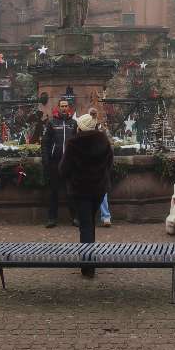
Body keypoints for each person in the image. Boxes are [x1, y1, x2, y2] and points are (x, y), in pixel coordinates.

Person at [59, 111, 114, 277]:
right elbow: (110, 164)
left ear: (80, 127)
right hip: (98, 189)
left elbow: (63, 169)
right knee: (90, 221)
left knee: (85, 226)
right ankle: (90, 260)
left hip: (80, 190)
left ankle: (88, 265)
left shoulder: (73, 143)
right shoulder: (103, 141)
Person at [42, 99, 78, 228]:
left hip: (69, 162)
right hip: (55, 162)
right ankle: (52, 218)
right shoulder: (51, 122)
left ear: (69, 108)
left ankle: (75, 218)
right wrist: (46, 160)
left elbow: (77, 143)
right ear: (58, 107)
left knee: (72, 191)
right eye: (62, 106)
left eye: (66, 106)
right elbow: (45, 143)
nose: (64, 108)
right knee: (53, 191)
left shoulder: (74, 123)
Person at [94, 108, 113, 227]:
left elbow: (109, 145)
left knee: (102, 193)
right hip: (88, 166)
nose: (93, 117)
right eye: (91, 114)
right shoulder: (83, 129)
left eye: (95, 114)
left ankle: (106, 216)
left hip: (100, 166)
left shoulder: (103, 130)